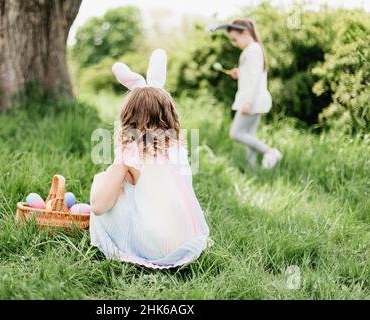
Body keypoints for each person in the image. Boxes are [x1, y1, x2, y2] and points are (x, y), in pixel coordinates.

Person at [89, 49, 210, 269]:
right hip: (185, 239)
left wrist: (115, 172)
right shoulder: (177, 150)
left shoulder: (130, 153)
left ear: (127, 118)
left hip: (153, 246)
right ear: (170, 116)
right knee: (128, 183)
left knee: (106, 182)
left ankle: (129, 245)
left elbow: (98, 206)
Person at [214, 19, 282, 168]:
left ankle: (270, 152)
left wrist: (248, 102)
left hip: (252, 100)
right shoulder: (254, 49)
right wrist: (240, 73)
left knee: (236, 133)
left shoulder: (253, 50)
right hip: (255, 98)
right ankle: (252, 168)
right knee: (250, 135)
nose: (234, 43)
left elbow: (256, 78)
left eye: (234, 39)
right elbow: (252, 74)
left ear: (244, 33)